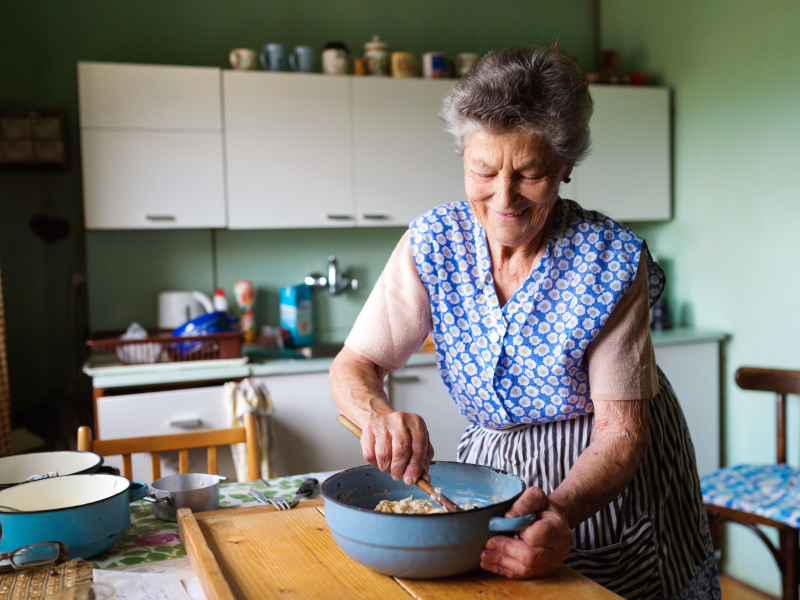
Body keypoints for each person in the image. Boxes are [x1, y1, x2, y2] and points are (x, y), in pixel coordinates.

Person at [329, 44, 719, 600]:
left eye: (530, 174)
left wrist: (559, 510)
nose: (504, 198)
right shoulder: (432, 242)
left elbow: (621, 433)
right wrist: (378, 414)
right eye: (483, 171)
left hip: (604, 481)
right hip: (493, 473)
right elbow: (356, 364)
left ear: (565, 166)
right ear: (463, 155)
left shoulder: (610, 260)